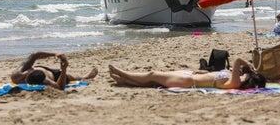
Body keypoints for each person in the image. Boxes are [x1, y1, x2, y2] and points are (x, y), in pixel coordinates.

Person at [109, 57, 266, 90]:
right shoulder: (236, 79)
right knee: (154, 81)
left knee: (153, 74)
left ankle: (122, 73)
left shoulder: (236, 83)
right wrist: (204, 71)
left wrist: (250, 67)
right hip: (191, 75)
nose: (243, 73)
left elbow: (238, 60)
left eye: (248, 75)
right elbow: (216, 76)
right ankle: (124, 80)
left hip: (188, 81)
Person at [11, 51, 98, 90]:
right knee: (70, 77)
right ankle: (86, 76)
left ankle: (85, 76)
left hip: (42, 70)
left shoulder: (18, 74)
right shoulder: (17, 75)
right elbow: (60, 87)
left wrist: (55, 54)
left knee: (71, 77)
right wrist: (63, 70)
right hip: (52, 75)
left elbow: (35, 54)